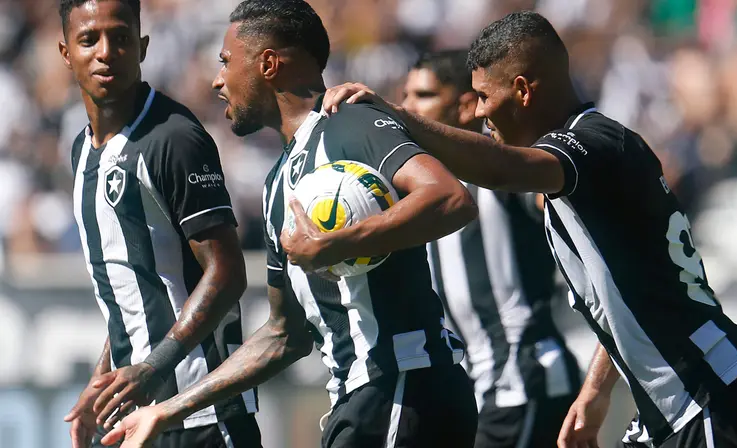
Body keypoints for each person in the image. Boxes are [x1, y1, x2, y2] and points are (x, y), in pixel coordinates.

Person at [321, 11, 737, 448]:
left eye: (485, 97)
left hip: (710, 393)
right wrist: (596, 390)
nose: (479, 113)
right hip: (679, 403)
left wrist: (396, 119)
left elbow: (505, 170)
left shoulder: (596, 142)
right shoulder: (582, 169)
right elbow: (625, 298)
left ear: (522, 90)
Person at [101, 1, 479, 447]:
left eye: (225, 62)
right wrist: (167, 410)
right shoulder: (277, 181)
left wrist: (339, 243)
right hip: (363, 400)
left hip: (404, 387)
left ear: (267, 63)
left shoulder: (349, 122)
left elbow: (450, 197)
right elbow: (285, 334)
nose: (217, 80)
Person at [58, 0, 260, 446]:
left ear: (144, 47)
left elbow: (226, 273)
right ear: (65, 52)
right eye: (89, 39)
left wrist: (154, 367)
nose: (106, 52)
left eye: (122, 38)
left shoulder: (173, 138)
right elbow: (139, 288)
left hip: (202, 412)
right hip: (139, 414)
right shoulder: (82, 149)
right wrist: (104, 375)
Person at [403, 50, 581, 448]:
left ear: (466, 105)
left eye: (423, 95)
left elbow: (558, 199)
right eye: (405, 95)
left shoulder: (501, 168)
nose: (406, 108)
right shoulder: (425, 177)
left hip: (523, 382)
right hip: (479, 390)